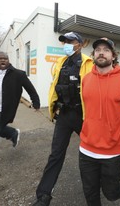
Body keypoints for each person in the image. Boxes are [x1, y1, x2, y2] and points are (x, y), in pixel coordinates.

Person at [33, 32, 93, 206]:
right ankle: (43, 196)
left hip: (83, 116)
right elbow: (55, 87)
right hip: (64, 115)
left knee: (92, 154)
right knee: (55, 155)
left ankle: (103, 189)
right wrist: (53, 109)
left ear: (80, 44)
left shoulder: (89, 64)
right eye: (65, 41)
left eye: (71, 41)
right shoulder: (60, 63)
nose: (67, 44)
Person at [78, 37, 120, 206]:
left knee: (110, 192)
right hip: (86, 148)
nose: (101, 53)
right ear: (93, 55)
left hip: (112, 150)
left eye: (106, 50)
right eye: (98, 50)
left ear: (113, 56)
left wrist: (119, 124)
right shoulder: (86, 79)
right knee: (90, 193)